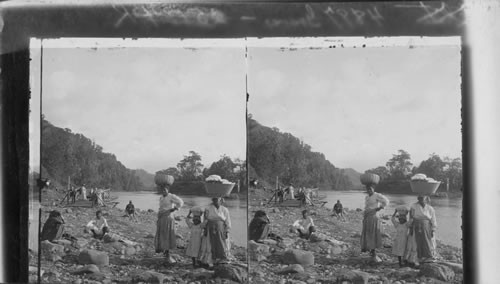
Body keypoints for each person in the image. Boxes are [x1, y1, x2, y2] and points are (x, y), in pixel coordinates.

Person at [154, 186, 184, 262]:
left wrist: (174, 209)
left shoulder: (171, 196)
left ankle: (167, 251)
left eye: (165, 190)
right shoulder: (161, 198)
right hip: (162, 216)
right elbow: (161, 208)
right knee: (162, 233)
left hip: (168, 216)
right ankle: (163, 249)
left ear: (168, 190)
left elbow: (180, 202)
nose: (163, 191)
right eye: (162, 190)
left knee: (167, 233)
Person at [360, 184, 389, 259]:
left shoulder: (377, 195)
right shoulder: (367, 197)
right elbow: (366, 207)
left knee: (373, 231)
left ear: (373, 189)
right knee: (367, 231)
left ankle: (373, 249)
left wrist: (380, 208)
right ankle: (368, 247)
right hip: (367, 216)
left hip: (373, 216)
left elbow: (386, 201)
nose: (369, 190)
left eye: (370, 189)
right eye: (367, 189)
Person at [409, 195, 437, 263]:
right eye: (420, 198)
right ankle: (416, 259)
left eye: (423, 198)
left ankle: (429, 257)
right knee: (416, 242)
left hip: (427, 226)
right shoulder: (413, 206)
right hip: (416, 225)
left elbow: (433, 219)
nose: (421, 199)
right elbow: (411, 218)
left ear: (426, 199)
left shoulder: (430, 208)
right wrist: (411, 227)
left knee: (428, 241)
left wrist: (433, 229)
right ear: (418, 198)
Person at [204, 197, 231, 264]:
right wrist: (204, 229)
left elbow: (228, 221)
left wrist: (227, 230)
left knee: (221, 242)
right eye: (214, 200)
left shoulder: (224, 209)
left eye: (217, 200)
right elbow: (205, 220)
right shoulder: (208, 209)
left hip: (221, 228)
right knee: (211, 243)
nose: (215, 201)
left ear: (220, 200)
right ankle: (212, 260)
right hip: (210, 227)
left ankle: (222, 258)